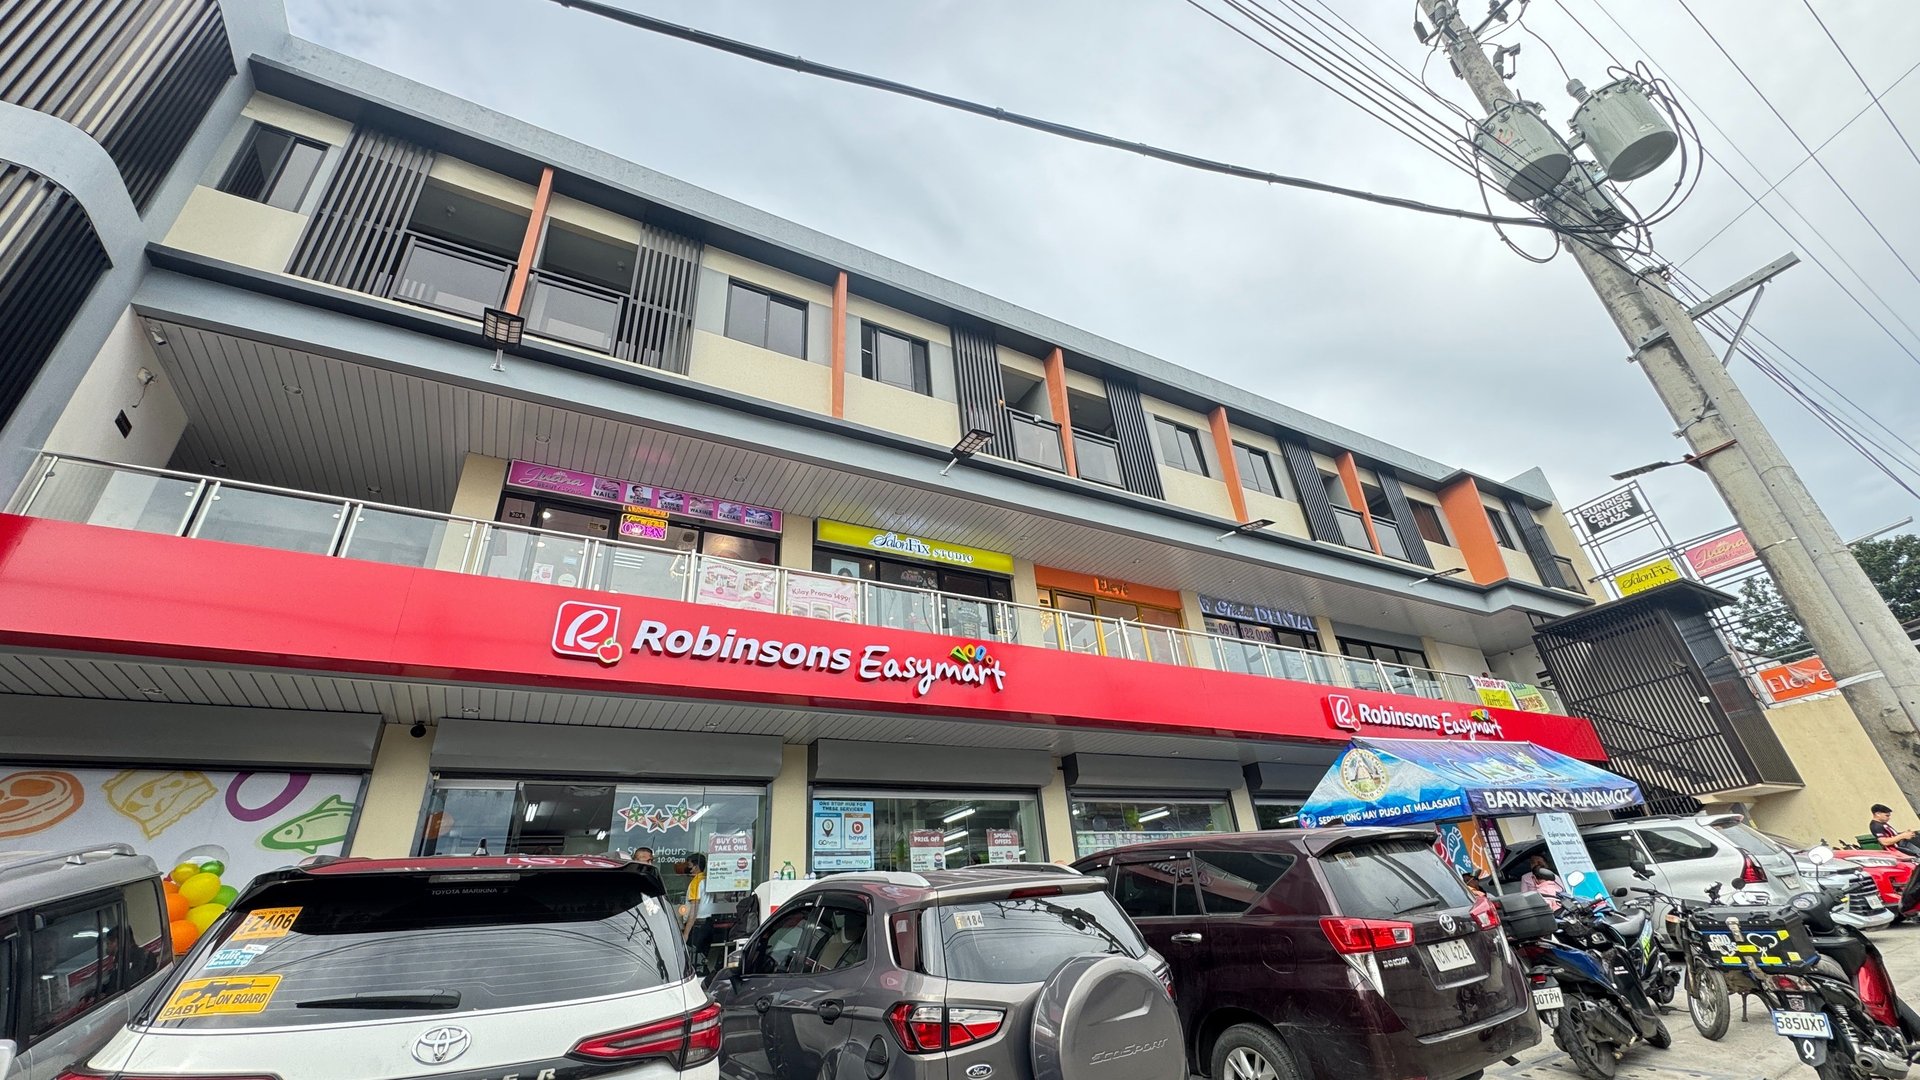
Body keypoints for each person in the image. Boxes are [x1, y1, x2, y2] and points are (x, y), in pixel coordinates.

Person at [682, 853, 715, 973]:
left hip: (697, 926)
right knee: (703, 958)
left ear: (695, 866)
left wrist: (686, 933)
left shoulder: (696, 883)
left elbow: (694, 910)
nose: (688, 869)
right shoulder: (709, 880)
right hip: (709, 924)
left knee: (693, 962)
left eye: (689, 865)